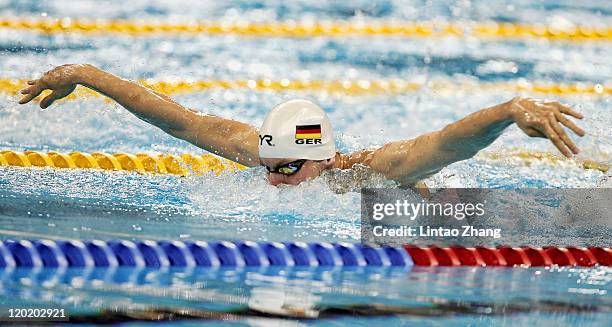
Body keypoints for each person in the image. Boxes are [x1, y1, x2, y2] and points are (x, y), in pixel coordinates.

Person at [19, 64, 585, 187]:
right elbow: (182, 122)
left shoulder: (371, 172)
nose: (274, 178)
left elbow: (444, 143)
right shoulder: (265, 154)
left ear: (325, 159)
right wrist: (85, 74)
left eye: (289, 167)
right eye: (270, 166)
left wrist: (509, 111)